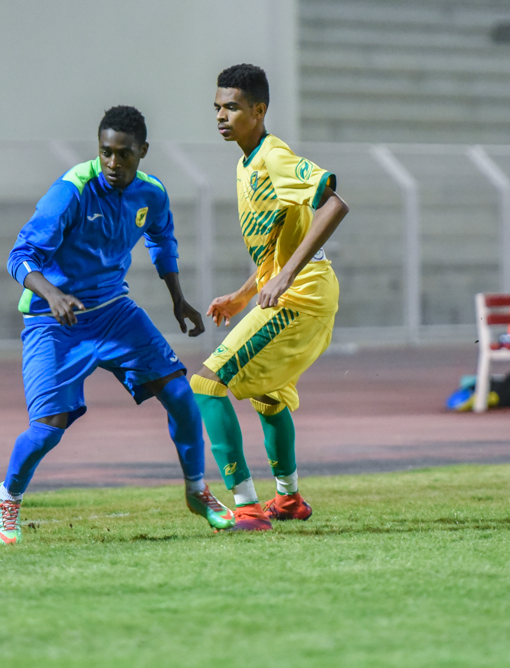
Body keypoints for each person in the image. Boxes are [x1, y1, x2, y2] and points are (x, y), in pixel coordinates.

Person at [0, 105, 235, 545]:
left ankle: (197, 490)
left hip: (113, 312)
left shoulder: (151, 193)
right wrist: (53, 294)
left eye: (124, 154)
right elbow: (19, 256)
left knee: (181, 395)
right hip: (54, 320)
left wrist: (178, 299)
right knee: (48, 429)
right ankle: (7, 496)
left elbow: (162, 240)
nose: (113, 163)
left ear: (143, 151)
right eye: (106, 152)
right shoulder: (71, 192)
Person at [190, 63, 350, 530]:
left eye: (232, 107)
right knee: (267, 395)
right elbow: (278, 244)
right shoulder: (246, 162)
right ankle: (289, 499)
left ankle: (245, 506)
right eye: (217, 108)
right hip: (300, 290)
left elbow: (334, 204)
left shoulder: (273, 156)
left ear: (259, 111)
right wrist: (246, 293)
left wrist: (285, 278)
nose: (221, 116)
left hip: (303, 295)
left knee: (206, 384)